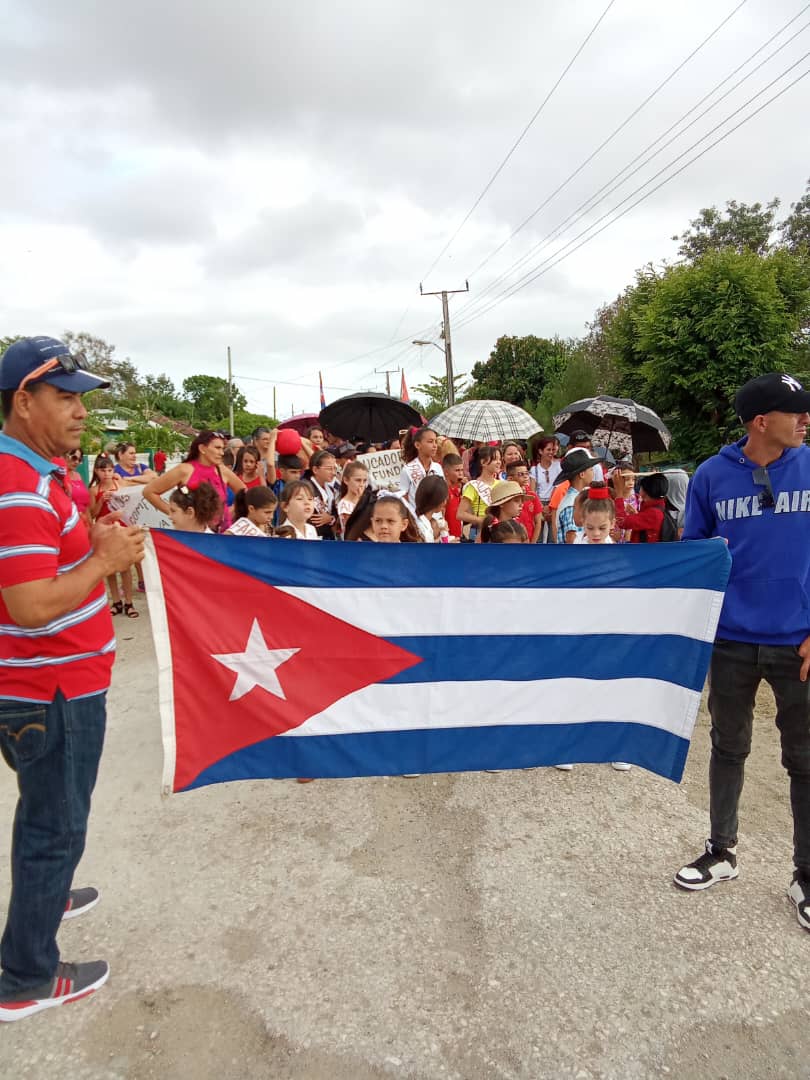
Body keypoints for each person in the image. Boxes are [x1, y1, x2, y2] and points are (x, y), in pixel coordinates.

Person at [0, 336, 144, 1020]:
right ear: (23, 402)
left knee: (47, 812)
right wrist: (102, 560)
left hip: (55, 683)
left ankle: (46, 891)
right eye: (65, 397)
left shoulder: (41, 473)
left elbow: (46, 560)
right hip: (47, 689)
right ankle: (25, 976)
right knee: (56, 825)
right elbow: (28, 606)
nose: (81, 411)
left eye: (82, 397)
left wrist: (91, 531)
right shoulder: (22, 485)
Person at [674, 373, 810, 933]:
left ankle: (805, 874)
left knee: (803, 760)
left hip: (799, 642)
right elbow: (694, 557)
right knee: (727, 746)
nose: (805, 420)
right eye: (796, 411)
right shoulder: (711, 475)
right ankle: (721, 851)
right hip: (730, 640)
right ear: (761, 421)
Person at [143, 431, 244, 532]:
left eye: (222, 448)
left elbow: (243, 492)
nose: (221, 453)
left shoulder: (222, 470)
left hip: (222, 534)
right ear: (202, 449)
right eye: (217, 448)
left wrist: (231, 510)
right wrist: (175, 512)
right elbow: (149, 492)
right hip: (192, 534)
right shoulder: (184, 470)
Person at [89, 456, 138, 619]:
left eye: (109, 470)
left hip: (121, 529)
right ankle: (116, 601)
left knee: (125, 568)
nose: (107, 474)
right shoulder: (94, 490)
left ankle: (129, 602)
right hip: (105, 531)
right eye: (103, 470)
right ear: (96, 471)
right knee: (110, 569)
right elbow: (93, 513)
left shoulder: (120, 485)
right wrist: (101, 501)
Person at [554, 449, 600, 544]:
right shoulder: (571, 504)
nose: (593, 473)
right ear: (582, 474)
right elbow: (571, 539)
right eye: (591, 469)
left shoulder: (577, 498)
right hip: (574, 556)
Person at [458, 445, 502, 541]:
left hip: (499, 531)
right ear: (483, 462)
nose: (499, 462)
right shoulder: (473, 486)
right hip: (479, 531)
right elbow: (460, 514)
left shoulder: (501, 485)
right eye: (495, 459)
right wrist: (482, 520)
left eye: (500, 459)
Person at [615, 473, 670, 543]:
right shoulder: (657, 506)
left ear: (645, 491)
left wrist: (619, 493)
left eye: (633, 479)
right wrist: (636, 514)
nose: (631, 483)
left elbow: (622, 522)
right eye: (627, 479)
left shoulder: (654, 513)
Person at [399, 426, 442, 508]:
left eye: (435, 441)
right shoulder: (407, 469)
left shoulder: (438, 468)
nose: (435, 445)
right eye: (430, 442)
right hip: (416, 517)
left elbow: (442, 495)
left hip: (436, 517)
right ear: (417, 445)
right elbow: (404, 497)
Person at [506, 459, 543, 543]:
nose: (526, 476)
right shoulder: (506, 497)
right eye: (521, 474)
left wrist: (532, 544)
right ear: (510, 478)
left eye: (527, 473)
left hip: (529, 541)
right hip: (510, 540)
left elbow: (538, 522)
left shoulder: (532, 496)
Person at [305, 450, 339, 539]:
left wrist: (331, 519)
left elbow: (336, 514)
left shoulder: (332, 490)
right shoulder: (306, 488)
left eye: (334, 468)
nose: (333, 473)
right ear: (315, 469)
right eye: (329, 469)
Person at [337, 460, 369, 536]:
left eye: (364, 481)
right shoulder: (344, 504)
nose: (361, 484)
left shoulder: (366, 500)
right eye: (358, 480)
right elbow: (354, 527)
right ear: (346, 480)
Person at [414, 475, 450, 543]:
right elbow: (428, 551)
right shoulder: (421, 527)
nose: (445, 502)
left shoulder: (425, 522)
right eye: (444, 498)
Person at [442, 453, 464, 540]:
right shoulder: (444, 491)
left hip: (458, 537)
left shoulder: (457, 490)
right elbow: (441, 519)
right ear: (446, 472)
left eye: (462, 470)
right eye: (457, 470)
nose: (461, 474)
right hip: (449, 540)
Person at [65, 448, 90, 523]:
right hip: (71, 521)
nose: (76, 462)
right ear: (65, 456)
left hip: (84, 520)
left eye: (80, 460)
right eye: (74, 458)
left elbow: (86, 504)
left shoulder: (78, 475)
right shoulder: (59, 477)